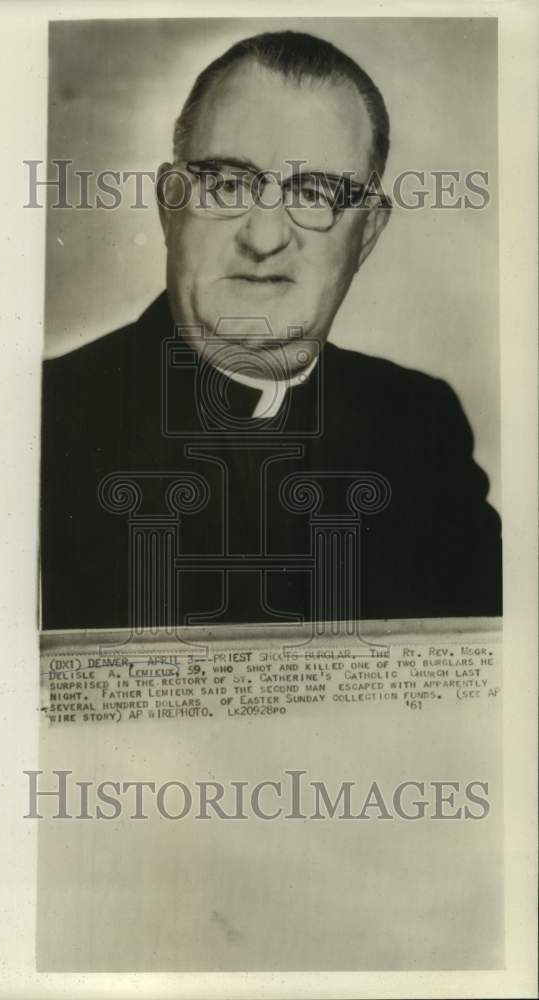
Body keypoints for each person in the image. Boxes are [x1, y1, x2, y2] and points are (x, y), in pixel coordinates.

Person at [40, 30, 502, 631]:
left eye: (315, 193)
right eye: (227, 185)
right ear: (169, 205)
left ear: (366, 233)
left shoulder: (420, 427)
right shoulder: (45, 421)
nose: (263, 239)